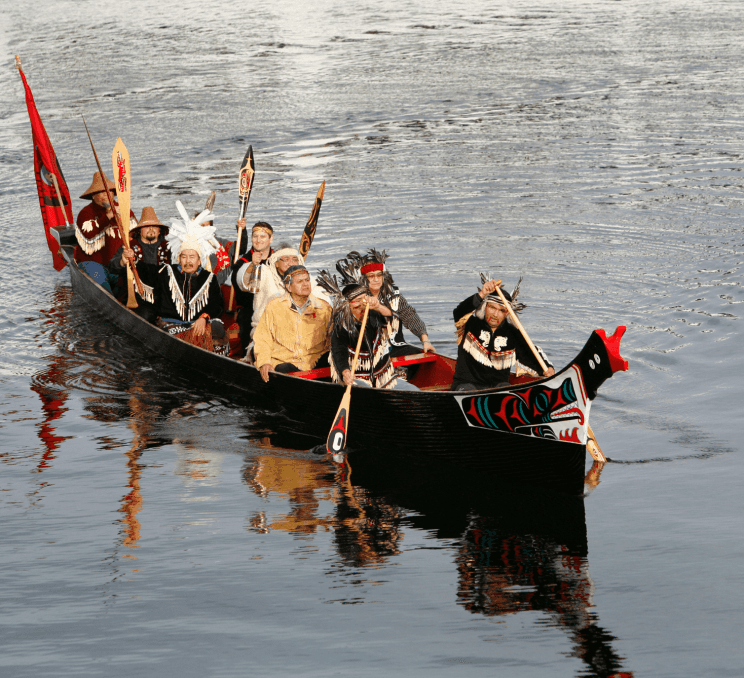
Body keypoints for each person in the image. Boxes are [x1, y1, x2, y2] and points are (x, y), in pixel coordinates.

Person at [317, 272, 419, 391]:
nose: (362, 306)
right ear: (347, 307)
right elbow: (339, 353)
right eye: (357, 304)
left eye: (364, 300)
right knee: (367, 392)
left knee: (414, 391)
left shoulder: (374, 315)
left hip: (383, 376)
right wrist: (345, 373)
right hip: (357, 378)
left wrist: (378, 307)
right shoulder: (342, 327)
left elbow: (393, 320)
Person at [451, 277, 554, 391]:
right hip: (466, 385)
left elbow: (530, 353)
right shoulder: (469, 324)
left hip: (498, 389)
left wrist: (548, 368)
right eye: (492, 307)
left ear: (507, 314)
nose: (495, 314)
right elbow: (459, 312)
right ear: (484, 307)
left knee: (504, 387)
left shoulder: (512, 333)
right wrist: (482, 293)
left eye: (502, 310)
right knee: (468, 389)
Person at [154, 201, 226, 352]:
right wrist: (129, 260)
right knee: (175, 335)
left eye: (192, 257)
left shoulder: (209, 278)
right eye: (184, 257)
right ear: (178, 258)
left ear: (199, 259)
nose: (188, 261)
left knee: (218, 329)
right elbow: (145, 273)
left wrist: (204, 317)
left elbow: (217, 304)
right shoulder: (166, 272)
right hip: (172, 324)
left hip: (199, 322)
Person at [254, 265, 332, 382]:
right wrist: (264, 363)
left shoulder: (323, 308)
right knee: (283, 369)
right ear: (288, 287)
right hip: (284, 364)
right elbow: (263, 339)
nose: (305, 284)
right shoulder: (274, 307)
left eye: (307, 280)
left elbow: (333, 340)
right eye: (300, 281)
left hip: (314, 364)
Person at [356, 248, 435, 357]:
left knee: (414, 353)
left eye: (379, 275)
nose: (376, 279)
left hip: (395, 348)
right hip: (366, 352)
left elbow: (410, 317)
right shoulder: (356, 299)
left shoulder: (395, 297)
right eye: (371, 276)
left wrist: (425, 341)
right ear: (364, 279)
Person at [74, 171, 133, 293]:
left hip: (119, 262)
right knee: (101, 283)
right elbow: (88, 235)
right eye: (101, 192)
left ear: (114, 193)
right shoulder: (85, 213)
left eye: (109, 191)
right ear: (93, 196)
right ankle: (111, 303)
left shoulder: (125, 210)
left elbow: (136, 235)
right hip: (94, 263)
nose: (106, 194)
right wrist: (109, 216)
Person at [109, 206, 168, 322]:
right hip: (135, 295)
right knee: (145, 315)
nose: (151, 229)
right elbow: (112, 267)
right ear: (139, 230)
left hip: (163, 294)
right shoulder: (129, 246)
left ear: (160, 230)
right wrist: (122, 261)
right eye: (146, 226)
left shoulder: (169, 247)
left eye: (154, 226)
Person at [230, 220, 274, 342]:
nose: (258, 240)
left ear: (271, 239)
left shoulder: (278, 260)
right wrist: (252, 266)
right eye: (255, 236)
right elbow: (239, 289)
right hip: (250, 309)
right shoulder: (242, 262)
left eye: (263, 236)